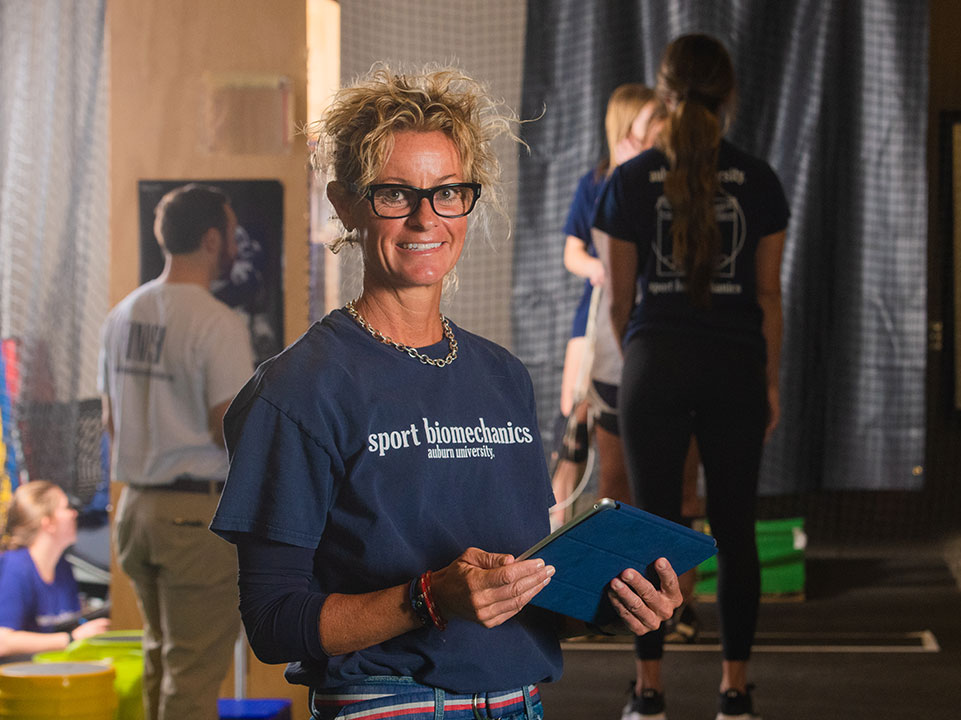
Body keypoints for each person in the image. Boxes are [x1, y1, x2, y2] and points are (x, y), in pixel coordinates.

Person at [209, 64, 681, 720]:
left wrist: (611, 607)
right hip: (389, 705)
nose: (426, 217)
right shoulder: (296, 390)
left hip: (522, 702)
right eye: (395, 194)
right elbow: (272, 621)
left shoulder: (503, 376)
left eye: (449, 192)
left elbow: (515, 599)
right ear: (345, 201)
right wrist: (427, 598)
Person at [595, 34, 789, 720]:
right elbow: (768, 295)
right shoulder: (759, 180)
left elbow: (619, 302)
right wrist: (767, 382)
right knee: (735, 532)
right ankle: (734, 691)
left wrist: (649, 357)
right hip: (736, 364)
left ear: (664, 93)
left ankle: (649, 692)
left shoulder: (627, 180)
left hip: (657, 365)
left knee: (654, 529)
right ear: (729, 95)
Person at [99, 183, 256, 720]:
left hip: (136, 511)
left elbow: (110, 421)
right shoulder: (217, 322)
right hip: (193, 519)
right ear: (212, 239)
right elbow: (226, 427)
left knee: (161, 664)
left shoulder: (122, 316)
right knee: (190, 682)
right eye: (232, 233)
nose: (235, 243)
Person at [550, 83, 662, 524]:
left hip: (640, 319)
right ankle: (557, 517)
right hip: (596, 315)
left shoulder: (656, 178)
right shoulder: (597, 181)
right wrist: (600, 269)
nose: (661, 126)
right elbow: (572, 251)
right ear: (629, 122)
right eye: (652, 118)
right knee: (577, 410)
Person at [0, 480, 111, 660]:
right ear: (48, 523)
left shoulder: (62, 567)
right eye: (66, 507)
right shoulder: (15, 568)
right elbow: (2, 641)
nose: (74, 513)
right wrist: (70, 639)